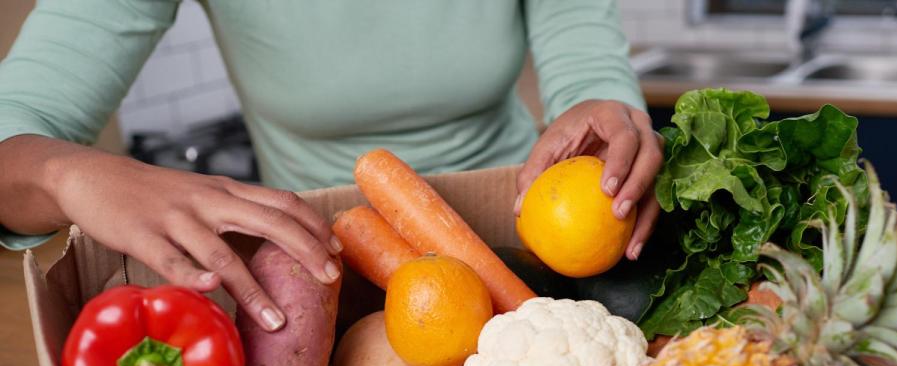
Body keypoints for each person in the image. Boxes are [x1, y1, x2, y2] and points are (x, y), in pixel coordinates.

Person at [0, 1, 662, 331]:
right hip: (324, 277)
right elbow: (15, 125)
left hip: (535, 251)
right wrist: (70, 174)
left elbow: (585, 57)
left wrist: (607, 119)